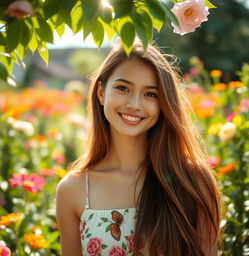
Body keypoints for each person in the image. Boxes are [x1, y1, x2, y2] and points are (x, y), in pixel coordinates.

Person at [56, 41, 222, 256]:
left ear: (164, 103)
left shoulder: (192, 181)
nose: (134, 104)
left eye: (150, 94)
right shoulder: (73, 189)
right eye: (123, 88)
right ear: (101, 93)